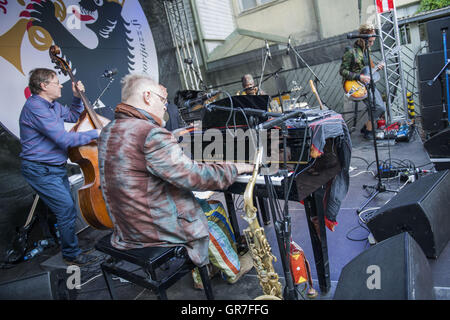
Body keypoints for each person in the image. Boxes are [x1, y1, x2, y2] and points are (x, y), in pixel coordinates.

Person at [97, 74, 254, 281]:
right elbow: (195, 177)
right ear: (147, 96)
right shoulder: (149, 133)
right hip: (152, 228)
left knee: (215, 206)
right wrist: (235, 167)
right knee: (204, 221)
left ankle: (210, 266)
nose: (165, 107)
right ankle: (231, 269)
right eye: (162, 101)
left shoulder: (109, 130)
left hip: (127, 226)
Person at [19, 68, 100, 266]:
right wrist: (96, 134)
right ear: (44, 86)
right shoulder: (35, 107)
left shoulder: (52, 106)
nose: (61, 85)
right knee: (66, 209)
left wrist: (76, 97)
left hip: (55, 168)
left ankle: (70, 248)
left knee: (66, 210)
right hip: (39, 170)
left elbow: (73, 116)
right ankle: (71, 254)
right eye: (57, 82)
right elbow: (63, 139)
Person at [339, 23, 386, 139]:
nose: (371, 44)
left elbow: (368, 69)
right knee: (379, 107)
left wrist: (377, 67)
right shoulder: (351, 52)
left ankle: (367, 128)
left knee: (379, 107)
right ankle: (368, 131)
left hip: (368, 84)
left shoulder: (366, 51)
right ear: (362, 38)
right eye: (369, 41)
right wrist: (359, 77)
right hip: (356, 84)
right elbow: (342, 71)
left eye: (373, 41)